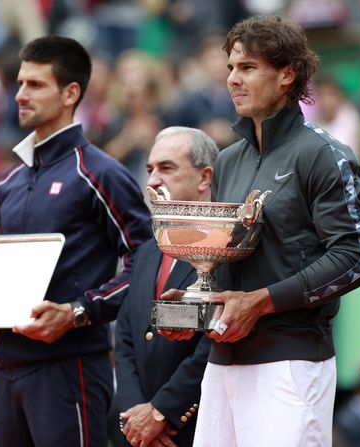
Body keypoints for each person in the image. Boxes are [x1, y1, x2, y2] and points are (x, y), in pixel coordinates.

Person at [0, 35, 153, 447]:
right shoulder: (8, 182)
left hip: (70, 365)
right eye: (20, 84)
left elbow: (147, 263)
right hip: (7, 365)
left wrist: (79, 312)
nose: (20, 95)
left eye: (35, 85)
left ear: (70, 93)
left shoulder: (99, 173)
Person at [187, 15, 360, 446]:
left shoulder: (324, 154)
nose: (233, 79)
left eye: (248, 68)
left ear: (287, 74)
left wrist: (261, 303)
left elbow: (356, 256)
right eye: (232, 68)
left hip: (291, 361)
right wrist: (194, 303)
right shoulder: (229, 158)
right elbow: (223, 258)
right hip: (222, 361)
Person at [113, 126, 217, 447]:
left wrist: (162, 412)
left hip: (195, 426)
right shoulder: (146, 249)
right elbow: (127, 336)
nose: (153, 181)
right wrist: (136, 413)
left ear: (204, 177)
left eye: (167, 168)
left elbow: (213, 344)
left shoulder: (225, 247)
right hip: (139, 432)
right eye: (150, 169)